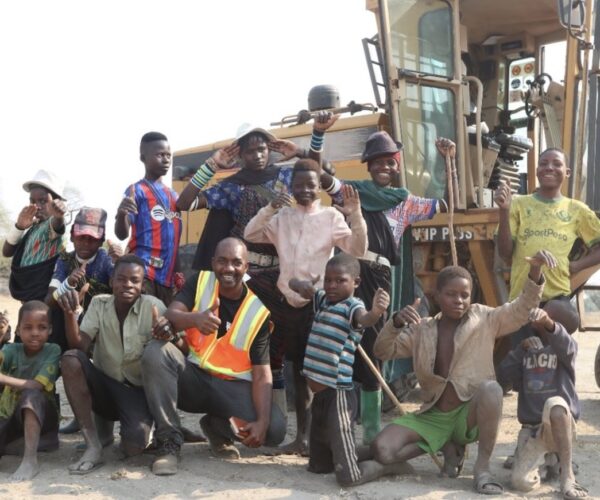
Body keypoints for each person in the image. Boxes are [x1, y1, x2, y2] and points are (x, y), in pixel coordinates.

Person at [176, 114, 340, 453]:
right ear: (240, 153)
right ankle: (255, 419)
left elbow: (321, 179)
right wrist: (213, 165)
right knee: (261, 353)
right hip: (251, 282)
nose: (257, 154)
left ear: (270, 148)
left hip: (289, 277)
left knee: (302, 353)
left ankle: (303, 435)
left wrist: (303, 152)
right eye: (249, 149)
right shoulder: (230, 185)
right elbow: (184, 203)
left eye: (262, 146)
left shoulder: (285, 175)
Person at [370, 251, 553, 495]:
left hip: (469, 415)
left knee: (491, 389)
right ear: (436, 296)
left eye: (464, 295)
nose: (459, 300)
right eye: (451, 294)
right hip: (433, 416)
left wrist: (535, 271)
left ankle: (482, 469)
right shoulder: (421, 330)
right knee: (382, 450)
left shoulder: (486, 318)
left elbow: (522, 309)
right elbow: (382, 350)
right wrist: (394, 323)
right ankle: (444, 444)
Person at [320, 130, 451, 443]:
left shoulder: (405, 202)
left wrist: (449, 164)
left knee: (375, 345)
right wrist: (317, 146)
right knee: (344, 339)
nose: (383, 168)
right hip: (350, 270)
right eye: (377, 162)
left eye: (389, 163)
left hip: (379, 275)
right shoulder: (353, 193)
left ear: (396, 166)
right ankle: (343, 424)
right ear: (368, 166)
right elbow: (328, 183)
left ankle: (372, 430)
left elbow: (447, 204)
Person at [244, 159, 368, 454]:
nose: (304, 190)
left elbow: (359, 250)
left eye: (310, 185)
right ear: (291, 187)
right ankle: (300, 438)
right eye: (298, 185)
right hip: (284, 304)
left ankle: (323, 440)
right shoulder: (282, 216)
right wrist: (271, 207)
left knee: (318, 373)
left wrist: (356, 215)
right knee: (296, 372)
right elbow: (250, 234)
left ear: (320, 188)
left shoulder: (331, 217)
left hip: (317, 304)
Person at [142, 238, 286, 476]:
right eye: (222, 261)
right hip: (191, 380)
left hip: (228, 390)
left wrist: (261, 421)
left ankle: (216, 427)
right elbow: (171, 314)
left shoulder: (258, 312)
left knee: (275, 429)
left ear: (246, 267)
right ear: (213, 263)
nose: (228, 268)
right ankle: (168, 442)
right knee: (156, 352)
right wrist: (195, 319)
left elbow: (262, 373)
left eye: (236, 262)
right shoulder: (200, 281)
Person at [294, 253, 408, 486]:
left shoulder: (352, 307)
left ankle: (387, 466)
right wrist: (301, 284)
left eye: (340, 280)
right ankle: (358, 453)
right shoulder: (323, 299)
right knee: (318, 467)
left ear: (355, 282)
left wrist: (376, 312)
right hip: (320, 398)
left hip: (338, 397)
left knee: (347, 478)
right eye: (328, 280)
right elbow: (293, 285)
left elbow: (365, 319)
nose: (332, 285)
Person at [56, 254, 165, 474]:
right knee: (70, 359)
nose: (127, 285)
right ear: (112, 281)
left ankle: (146, 425)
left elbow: (173, 352)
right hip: (104, 385)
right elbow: (79, 345)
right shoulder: (99, 304)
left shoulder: (154, 307)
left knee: (134, 448)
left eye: (134, 280)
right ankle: (93, 444)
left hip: (136, 392)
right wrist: (70, 315)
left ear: (142, 285)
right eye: (121, 279)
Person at [495, 148, 600, 344]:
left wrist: (576, 266)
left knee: (551, 358)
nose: (549, 167)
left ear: (567, 172)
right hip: (522, 298)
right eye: (543, 164)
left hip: (556, 299)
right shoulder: (518, 205)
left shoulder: (577, 210)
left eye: (556, 164)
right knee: (518, 363)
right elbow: (505, 253)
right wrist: (503, 211)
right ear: (536, 171)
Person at [497, 303, 588, 499]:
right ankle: (549, 461)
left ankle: (567, 474)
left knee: (555, 404)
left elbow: (563, 340)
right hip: (532, 430)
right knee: (521, 483)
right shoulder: (527, 348)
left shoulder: (567, 350)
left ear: (560, 326)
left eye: (548, 312)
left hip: (559, 425)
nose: (540, 311)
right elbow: (504, 374)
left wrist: (548, 323)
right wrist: (521, 349)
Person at [114, 132, 182, 305]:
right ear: (143, 157)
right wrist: (121, 214)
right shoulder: (136, 191)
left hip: (167, 279)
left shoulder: (175, 196)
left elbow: (174, 242)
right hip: (144, 275)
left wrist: (178, 273)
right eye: (160, 155)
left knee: (162, 328)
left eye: (168, 155)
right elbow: (122, 234)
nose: (166, 159)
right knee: (142, 325)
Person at [45, 207, 121, 352]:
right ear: (72, 236)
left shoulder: (106, 260)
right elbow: (48, 301)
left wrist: (120, 263)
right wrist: (67, 284)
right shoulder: (64, 260)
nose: (86, 242)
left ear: (101, 241)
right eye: (81, 236)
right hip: (66, 325)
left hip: (98, 327)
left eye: (92, 238)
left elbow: (121, 291)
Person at [0, 301, 60, 481]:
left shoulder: (52, 350)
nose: (35, 333)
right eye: (28, 327)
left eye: (41, 327)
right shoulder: (10, 349)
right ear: (18, 330)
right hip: (10, 417)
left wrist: (2, 378)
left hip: (43, 416)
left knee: (31, 396)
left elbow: (37, 386)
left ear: (50, 330)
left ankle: (29, 460)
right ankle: (19, 444)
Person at [3, 170, 67, 306]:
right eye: (32, 201)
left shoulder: (51, 226)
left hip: (40, 296)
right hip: (26, 294)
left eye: (43, 201)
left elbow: (58, 224)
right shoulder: (32, 227)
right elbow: (6, 252)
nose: (37, 206)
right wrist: (19, 227)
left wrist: (59, 214)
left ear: (56, 202)